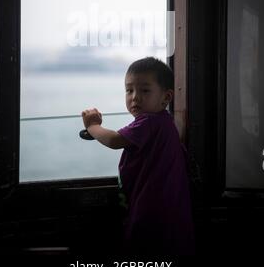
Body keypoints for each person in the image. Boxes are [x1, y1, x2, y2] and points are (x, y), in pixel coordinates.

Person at [81, 57, 195, 256]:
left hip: (152, 213)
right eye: (129, 90)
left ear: (166, 97)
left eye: (144, 90)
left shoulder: (149, 122)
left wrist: (93, 126)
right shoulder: (165, 123)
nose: (134, 97)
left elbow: (115, 140)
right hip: (171, 212)